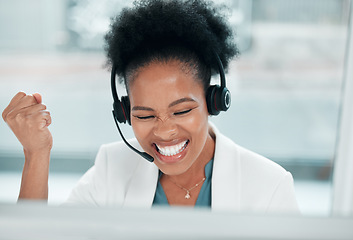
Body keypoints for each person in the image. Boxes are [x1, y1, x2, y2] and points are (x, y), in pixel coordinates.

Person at [2, 0, 299, 213]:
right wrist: (36, 153)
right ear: (124, 112)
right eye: (144, 114)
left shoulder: (269, 186)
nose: (165, 130)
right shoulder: (112, 167)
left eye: (181, 110)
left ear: (213, 102)